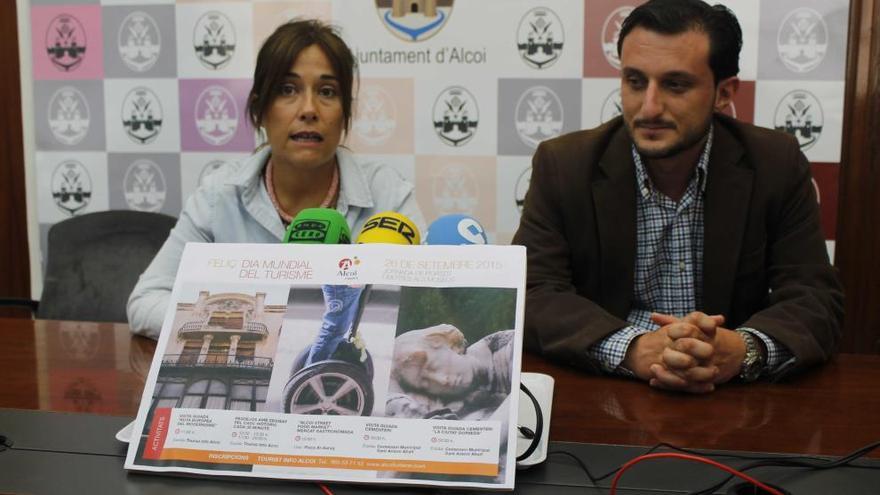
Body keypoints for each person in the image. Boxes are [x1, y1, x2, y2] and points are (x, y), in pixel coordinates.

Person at [512, 0, 843, 394]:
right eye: (635, 81)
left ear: (723, 93)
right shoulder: (564, 164)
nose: (649, 106)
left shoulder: (777, 164)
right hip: (609, 390)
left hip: (732, 397)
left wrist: (742, 349)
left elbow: (815, 298)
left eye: (676, 84)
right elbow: (533, 294)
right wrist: (631, 348)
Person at [128, 19, 424, 338]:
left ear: (345, 113)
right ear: (260, 108)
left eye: (327, 91)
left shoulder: (387, 193)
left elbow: (421, 304)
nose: (309, 109)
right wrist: (245, 330)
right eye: (287, 90)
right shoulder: (219, 195)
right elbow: (147, 300)